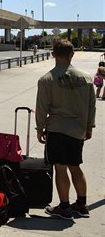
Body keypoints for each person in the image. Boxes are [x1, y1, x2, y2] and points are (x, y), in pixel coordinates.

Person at [36, 39, 96, 220]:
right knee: (75, 166)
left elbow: (42, 107)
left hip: (57, 129)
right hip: (78, 130)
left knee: (60, 168)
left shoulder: (47, 79)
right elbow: (91, 106)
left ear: (53, 54)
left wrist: (40, 128)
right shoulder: (86, 78)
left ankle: (64, 206)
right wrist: (89, 126)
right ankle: (82, 204)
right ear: (72, 54)